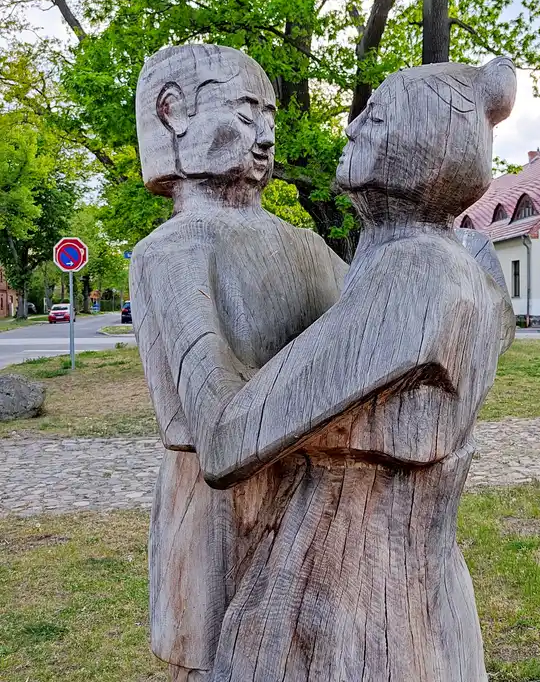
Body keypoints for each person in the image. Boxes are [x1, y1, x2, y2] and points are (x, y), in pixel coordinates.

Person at [179, 58, 518, 681]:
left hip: (346, 598)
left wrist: (184, 301)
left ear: (427, 146)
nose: (354, 126)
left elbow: (229, 440)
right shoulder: (459, 258)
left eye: (378, 117)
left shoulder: (414, 275)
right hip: (406, 585)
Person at [130, 44, 348, 682]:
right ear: (173, 114)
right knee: (218, 658)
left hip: (307, 496)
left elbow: (374, 322)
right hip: (214, 512)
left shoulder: (304, 245)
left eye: (271, 114)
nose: (267, 133)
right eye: (246, 111)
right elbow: (213, 419)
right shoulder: (173, 250)